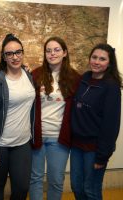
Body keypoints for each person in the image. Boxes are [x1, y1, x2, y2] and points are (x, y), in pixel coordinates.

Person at [0, 33, 34, 200]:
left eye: (18, 52)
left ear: (23, 53)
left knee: (22, 188)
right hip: (0, 145)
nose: (14, 57)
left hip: (22, 144)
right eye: (9, 54)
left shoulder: (29, 76)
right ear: (4, 57)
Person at [29, 36, 80, 200]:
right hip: (37, 136)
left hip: (60, 138)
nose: (52, 54)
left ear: (65, 53)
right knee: (35, 178)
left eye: (57, 50)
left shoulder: (74, 78)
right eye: (48, 51)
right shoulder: (35, 75)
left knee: (56, 181)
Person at [70, 43, 123, 200]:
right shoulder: (84, 78)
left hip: (95, 149)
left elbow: (111, 125)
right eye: (94, 57)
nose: (97, 62)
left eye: (102, 59)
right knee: (76, 186)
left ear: (109, 63)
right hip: (77, 146)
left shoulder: (111, 87)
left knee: (91, 190)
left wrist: (102, 156)